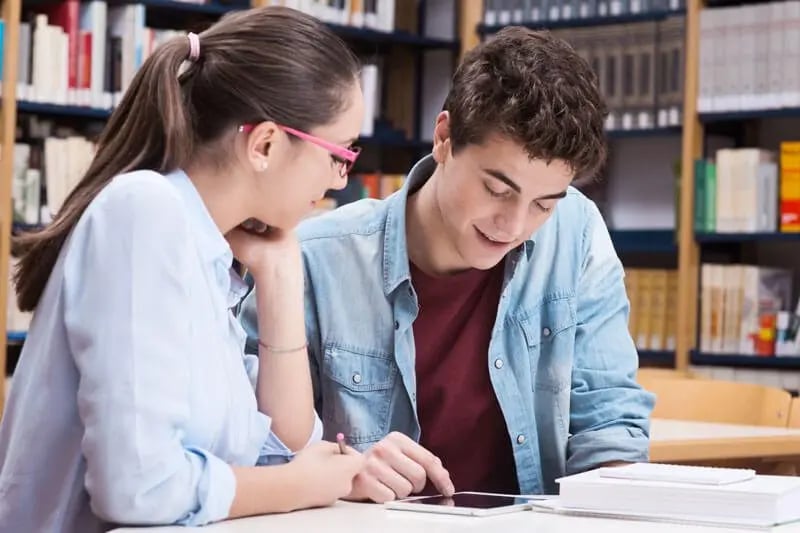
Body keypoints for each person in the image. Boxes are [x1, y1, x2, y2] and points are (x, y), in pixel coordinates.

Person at [240, 26, 656, 503]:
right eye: (497, 190)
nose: (513, 224)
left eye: (543, 204)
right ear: (444, 138)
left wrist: (614, 498)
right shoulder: (315, 259)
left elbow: (608, 419)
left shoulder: (577, 230)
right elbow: (252, 450)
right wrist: (344, 474)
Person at [0, 6, 366, 532]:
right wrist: (303, 486)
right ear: (264, 144)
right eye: (341, 154)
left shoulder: (210, 252)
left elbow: (282, 452)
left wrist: (281, 277)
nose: (339, 180)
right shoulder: (144, 212)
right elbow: (140, 490)